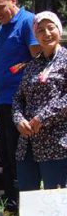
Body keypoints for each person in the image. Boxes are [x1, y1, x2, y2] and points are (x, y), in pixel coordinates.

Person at [0, 0, 41, 213]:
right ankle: (11, 202)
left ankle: (26, 204)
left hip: (22, 102)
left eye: (0, 7)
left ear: (13, 0)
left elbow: (40, 60)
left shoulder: (28, 22)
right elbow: (1, 69)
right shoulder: (2, 29)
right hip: (3, 101)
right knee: (6, 154)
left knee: (21, 156)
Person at [12, 11, 67, 192]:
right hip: (27, 141)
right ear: (36, 35)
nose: (47, 34)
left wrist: (41, 117)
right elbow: (19, 97)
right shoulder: (33, 64)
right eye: (41, 30)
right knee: (29, 196)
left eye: (51, 28)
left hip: (56, 143)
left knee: (56, 197)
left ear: (59, 30)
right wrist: (19, 119)